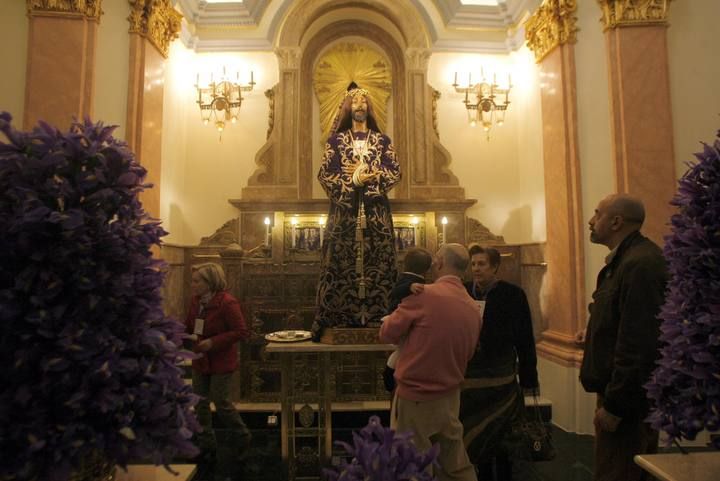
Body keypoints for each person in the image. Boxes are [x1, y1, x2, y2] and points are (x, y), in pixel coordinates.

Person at [578, 194, 668, 481]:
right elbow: (619, 320)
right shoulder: (626, 260)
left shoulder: (640, 264)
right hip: (620, 392)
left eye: (597, 213)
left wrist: (615, 405)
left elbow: (640, 342)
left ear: (616, 221)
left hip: (628, 402)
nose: (591, 221)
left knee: (620, 473)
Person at [380, 244, 482, 481]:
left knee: (411, 464)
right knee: (454, 463)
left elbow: (387, 333)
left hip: (416, 395)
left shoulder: (424, 295)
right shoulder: (472, 306)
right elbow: (468, 353)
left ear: (438, 263)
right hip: (450, 394)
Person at [312, 83, 401, 340]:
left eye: (364, 102)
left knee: (379, 260)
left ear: (369, 108)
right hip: (344, 215)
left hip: (375, 216)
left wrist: (366, 179)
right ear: (348, 108)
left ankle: (379, 315)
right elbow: (326, 174)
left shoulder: (382, 141)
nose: (360, 105)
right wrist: (352, 183)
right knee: (340, 261)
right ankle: (339, 315)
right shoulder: (336, 141)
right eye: (355, 102)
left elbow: (394, 171)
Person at [460, 245, 540, 480]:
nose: (476, 269)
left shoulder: (513, 294)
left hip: (501, 375)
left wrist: (529, 377)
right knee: (475, 434)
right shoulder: (464, 292)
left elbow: (525, 337)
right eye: (473, 264)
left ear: (495, 266)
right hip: (472, 376)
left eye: (481, 264)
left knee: (504, 435)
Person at [184, 263, 251, 462]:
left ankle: (242, 436)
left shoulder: (227, 302)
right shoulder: (195, 302)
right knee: (200, 403)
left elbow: (241, 331)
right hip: (200, 360)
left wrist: (213, 342)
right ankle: (207, 443)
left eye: (197, 281)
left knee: (221, 402)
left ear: (210, 282)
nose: (193, 284)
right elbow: (188, 325)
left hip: (221, 360)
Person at [383, 247, 433, 392]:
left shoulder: (410, 278)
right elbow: (395, 292)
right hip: (398, 319)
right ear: (426, 269)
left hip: (405, 320)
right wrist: (409, 287)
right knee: (402, 350)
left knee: (403, 351)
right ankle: (389, 372)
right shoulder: (408, 280)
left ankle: (391, 373)